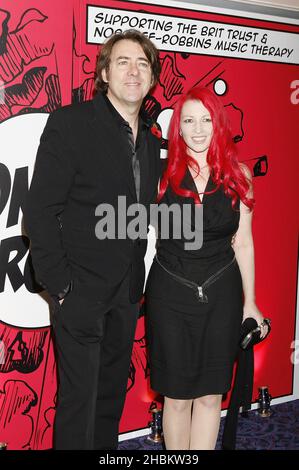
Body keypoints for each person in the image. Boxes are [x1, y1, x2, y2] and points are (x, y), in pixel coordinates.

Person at [24, 29, 161, 450]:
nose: (133, 71)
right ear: (104, 72)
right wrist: (62, 287)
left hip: (125, 297)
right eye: (122, 62)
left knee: (107, 404)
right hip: (79, 294)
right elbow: (40, 213)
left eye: (142, 64)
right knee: (78, 408)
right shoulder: (71, 124)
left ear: (153, 78)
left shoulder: (152, 146)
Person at [145, 86, 269, 450]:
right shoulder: (160, 174)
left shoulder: (239, 174)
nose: (198, 129)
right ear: (178, 128)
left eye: (206, 120)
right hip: (169, 293)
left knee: (212, 395)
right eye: (189, 121)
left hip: (222, 294)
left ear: (219, 125)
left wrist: (251, 303)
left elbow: (243, 242)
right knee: (178, 397)